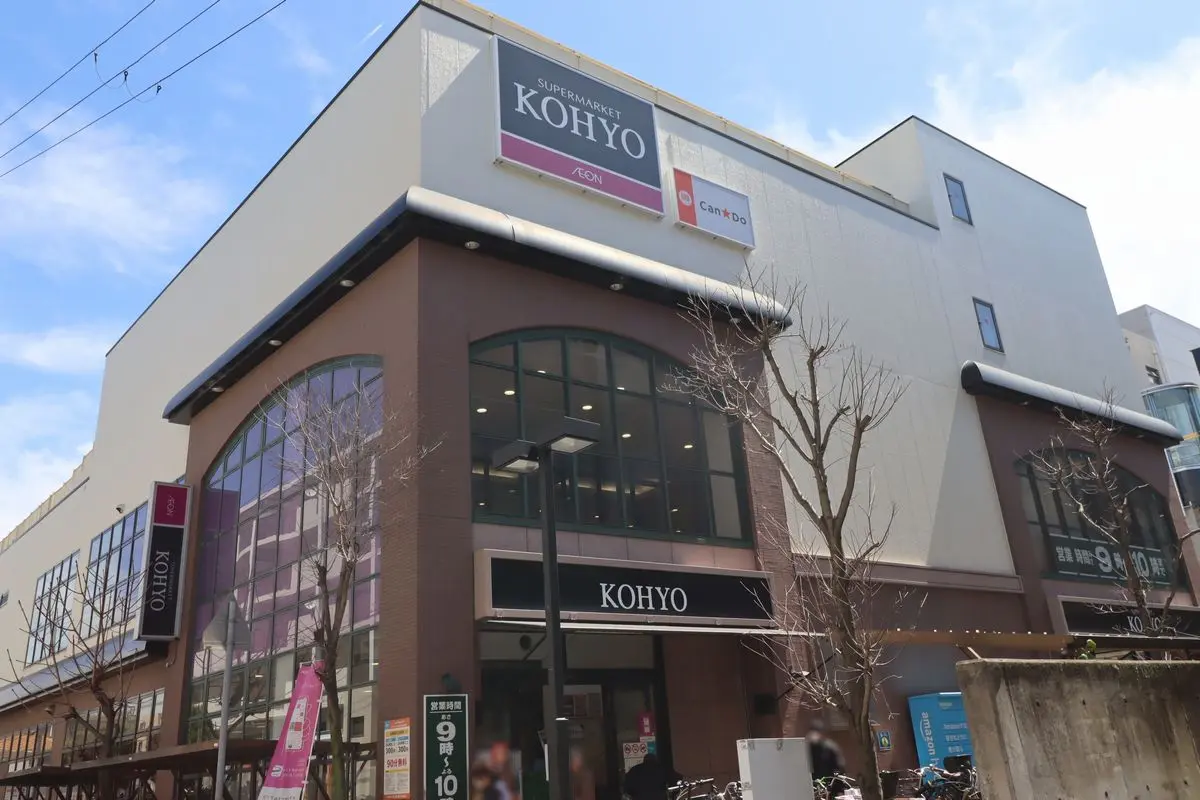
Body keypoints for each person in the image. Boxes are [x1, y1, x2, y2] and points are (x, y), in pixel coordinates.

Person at [806, 720, 849, 796]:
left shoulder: (830, 748)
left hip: (830, 786)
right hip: (815, 786)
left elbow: (839, 768)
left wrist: (839, 789)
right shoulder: (808, 748)